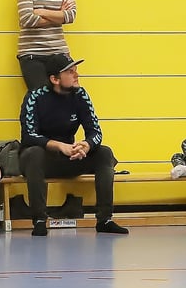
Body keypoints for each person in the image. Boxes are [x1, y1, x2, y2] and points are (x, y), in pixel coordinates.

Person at [18, 55, 128, 236]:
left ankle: (104, 219)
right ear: (55, 79)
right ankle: (39, 220)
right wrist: (59, 146)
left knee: (104, 153)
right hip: (40, 159)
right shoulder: (34, 97)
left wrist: (85, 145)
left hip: (68, 157)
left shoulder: (80, 94)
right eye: (70, 72)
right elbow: (29, 136)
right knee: (34, 154)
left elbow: (95, 132)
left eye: (75, 70)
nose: (76, 75)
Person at [17, 0, 77, 90]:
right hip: (32, 53)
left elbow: (71, 16)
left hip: (59, 50)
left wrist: (41, 12)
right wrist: (59, 15)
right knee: (41, 95)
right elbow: (27, 19)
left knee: (69, 92)